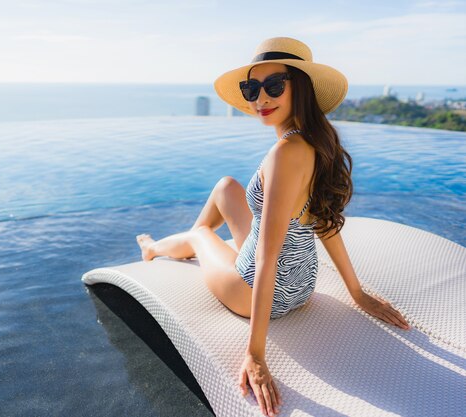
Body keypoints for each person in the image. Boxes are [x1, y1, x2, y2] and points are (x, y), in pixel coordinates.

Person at [135, 37, 410, 417]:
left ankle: (156, 249)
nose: (260, 98)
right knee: (226, 187)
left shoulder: (283, 154)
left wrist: (255, 353)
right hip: (303, 283)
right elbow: (324, 224)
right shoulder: (318, 141)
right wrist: (356, 291)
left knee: (202, 234)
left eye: (274, 86)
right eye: (251, 88)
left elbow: (267, 257)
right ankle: (192, 254)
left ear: (302, 88)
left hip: (256, 292)